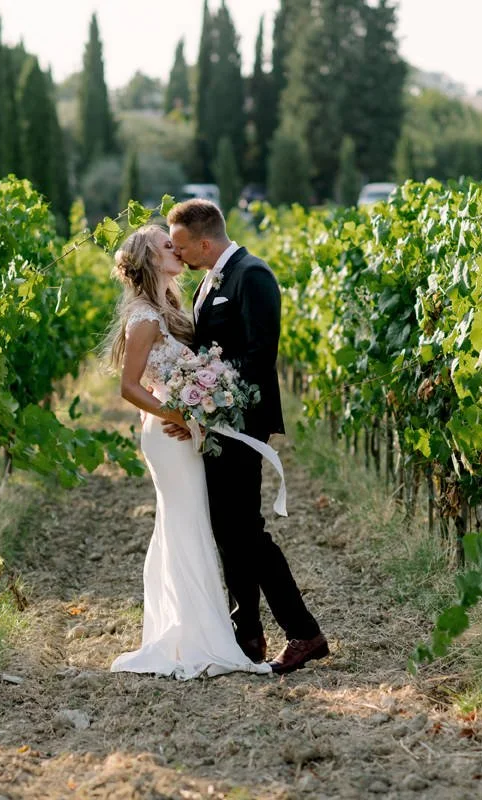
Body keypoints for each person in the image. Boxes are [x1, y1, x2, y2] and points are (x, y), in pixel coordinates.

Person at [166, 199, 328, 674]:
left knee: (245, 532)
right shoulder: (210, 279)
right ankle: (247, 634)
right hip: (217, 423)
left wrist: (203, 396)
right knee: (228, 532)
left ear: (204, 241)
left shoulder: (252, 275)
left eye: (180, 246)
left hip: (240, 424)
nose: (177, 255)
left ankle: (303, 633)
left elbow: (258, 357)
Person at [106, 224, 272, 680]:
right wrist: (179, 416)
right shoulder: (143, 316)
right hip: (169, 436)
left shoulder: (170, 308)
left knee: (188, 525)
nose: (175, 250)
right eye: (166, 246)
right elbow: (128, 386)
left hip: (181, 431)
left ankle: (189, 630)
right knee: (188, 525)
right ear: (149, 259)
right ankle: (197, 638)